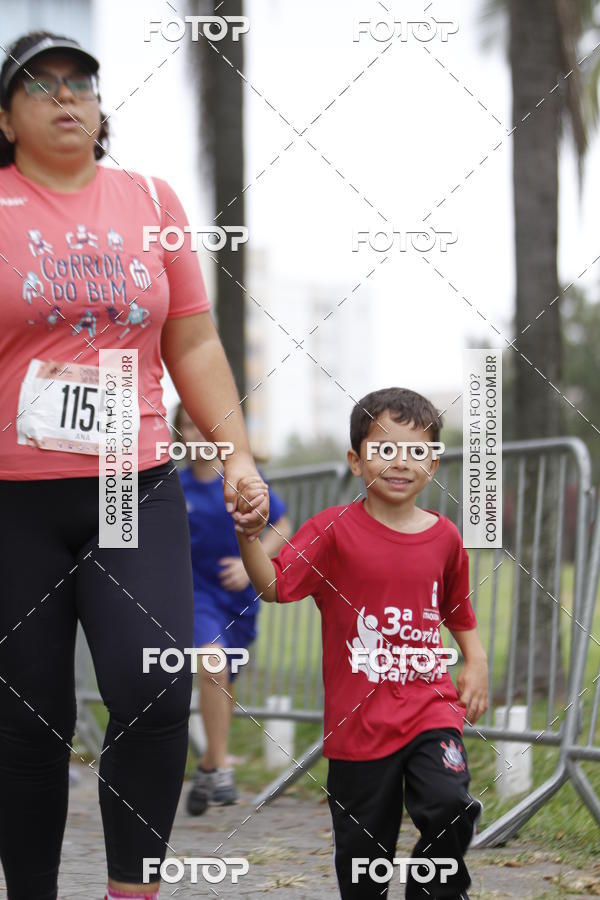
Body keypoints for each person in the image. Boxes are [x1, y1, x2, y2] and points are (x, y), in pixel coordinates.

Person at [0, 31, 267, 900]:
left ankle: (132, 891)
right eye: (40, 87)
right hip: (12, 500)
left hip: (128, 478)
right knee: (29, 720)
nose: (65, 97)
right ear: (7, 118)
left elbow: (191, 336)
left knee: (153, 694)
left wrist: (235, 452)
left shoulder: (151, 198)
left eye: (80, 83)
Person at [234, 387, 489, 900]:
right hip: (359, 726)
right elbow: (275, 586)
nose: (401, 462)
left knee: (450, 804)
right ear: (356, 460)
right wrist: (249, 536)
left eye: (417, 450)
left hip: (429, 707)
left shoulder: (445, 537)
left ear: (434, 463)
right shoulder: (331, 531)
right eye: (384, 448)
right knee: (363, 863)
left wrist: (476, 659)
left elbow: (457, 607)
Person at [172, 404, 291, 814]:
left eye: (207, 424)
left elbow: (282, 524)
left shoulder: (241, 482)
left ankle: (207, 767)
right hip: (195, 596)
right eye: (190, 424)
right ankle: (221, 766)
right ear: (179, 433)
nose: (199, 433)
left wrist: (249, 564)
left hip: (239, 602)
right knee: (212, 664)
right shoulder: (173, 488)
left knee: (223, 680)